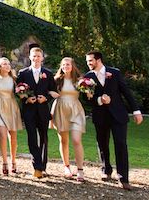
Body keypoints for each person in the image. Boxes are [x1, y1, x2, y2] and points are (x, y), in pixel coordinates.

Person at [84, 50, 143, 190]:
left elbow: (126, 92)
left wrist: (136, 111)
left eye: (90, 61)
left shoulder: (114, 73)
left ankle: (123, 178)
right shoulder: (87, 78)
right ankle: (106, 169)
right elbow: (87, 99)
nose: (88, 63)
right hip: (100, 116)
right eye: (87, 61)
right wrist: (99, 100)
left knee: (121, 144)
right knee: (102, 144)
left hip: (118, 115)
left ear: (98, 60)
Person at [16, 46, 56, 179]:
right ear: (30, 57)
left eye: (39, 56)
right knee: (32, 138)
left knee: (44, 137)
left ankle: (42, 166)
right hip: (29, 111)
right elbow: (18, 91)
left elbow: (53, 91)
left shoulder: (48, 74)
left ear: (42, 58)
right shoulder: (23, 73)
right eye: (34, 56)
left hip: (43, 110)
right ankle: (37, 166)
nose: (36, 58)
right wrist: (27, 99)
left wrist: (46, 98)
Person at [50, 57, 86, 182]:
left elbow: (88, 93)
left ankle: (80, 169)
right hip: (60, 109)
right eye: (64, 64)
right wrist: (51, 93)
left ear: (72, 66)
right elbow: (48, 90)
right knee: (64, 140)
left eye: (68, 64)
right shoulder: (56, 80)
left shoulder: (80, 80)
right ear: (61, 66)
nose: (66, 66)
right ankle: (66, 167)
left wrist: (89, 92)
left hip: (75, 110)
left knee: (76, 140)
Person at [0, 57, 22, 175]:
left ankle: (14, 161)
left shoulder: (14, 79)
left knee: (13, 136)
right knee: (2, 135)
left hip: (11, 106)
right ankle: (4, 162)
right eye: (4, 64)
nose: (7, 66)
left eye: (8, 64)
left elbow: (21, 91)